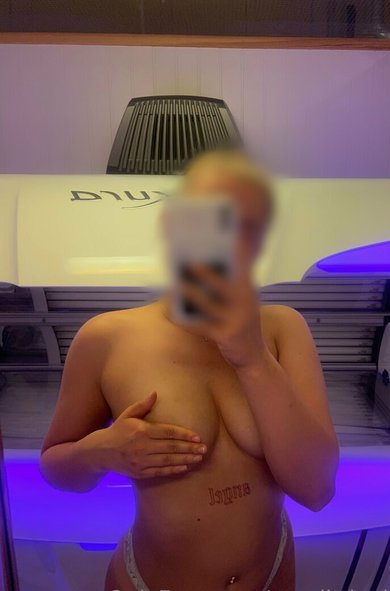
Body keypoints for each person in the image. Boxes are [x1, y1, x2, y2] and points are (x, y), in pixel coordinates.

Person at [40, 150, 339, 591]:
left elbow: (317, 491)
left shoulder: (282, 329)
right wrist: (101, 452)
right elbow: (55, 469)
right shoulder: (106, 338)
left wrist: (254, 360)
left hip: (273, 573)